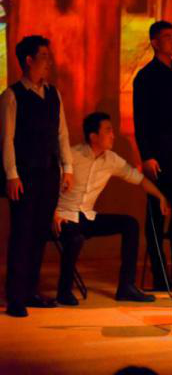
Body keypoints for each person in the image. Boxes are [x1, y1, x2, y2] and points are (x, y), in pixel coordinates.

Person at [54, 112, 169, 305]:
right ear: (93, 136)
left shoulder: (112, 159)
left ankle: (126, 286)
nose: (113, 135)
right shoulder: (72, 156)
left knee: (130, 224)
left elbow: (139, 179)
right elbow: (46, 186)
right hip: (63, 216)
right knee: (74, 237)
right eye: (108, 131)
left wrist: (160, 196)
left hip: (87, 216)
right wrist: (53, 214)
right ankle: (63, 291)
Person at [2, 35, 74, 317]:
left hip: (48, 172)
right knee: (22, 234)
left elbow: (62, 134)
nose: (48, 62)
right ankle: (16, 296)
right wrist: (12, 175)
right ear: (28, 60)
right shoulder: (12, 95)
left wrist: (67, 168)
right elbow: (6, 139)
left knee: (40, 234)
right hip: (24, 174)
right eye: (43, 56)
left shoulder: (53, 94)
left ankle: (31, 290)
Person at [133, 20, 172, 290]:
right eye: (168, 37)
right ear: (155, 42)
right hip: (158, 156)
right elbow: (141, 120)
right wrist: (147, 155)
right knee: (156, 215)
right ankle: (159, 274)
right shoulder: (145, 77)